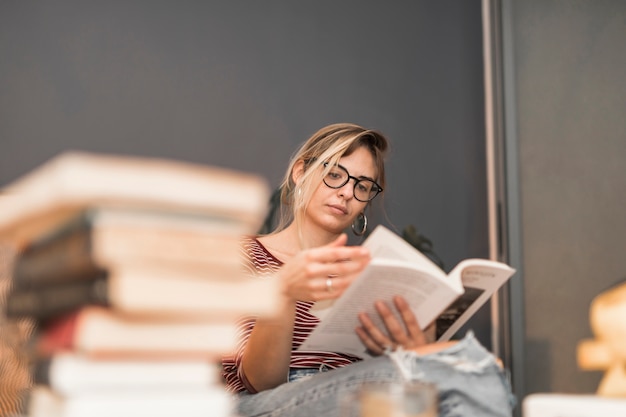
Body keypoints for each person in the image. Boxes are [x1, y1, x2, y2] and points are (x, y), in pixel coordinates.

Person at [222, 123, 515, 417]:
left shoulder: (370, 274)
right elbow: (260, 383)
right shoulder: (243, 253)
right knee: (468, 370)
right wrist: (284, 293)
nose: (347, 192)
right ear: (300, 172)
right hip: (266, 403)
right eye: (335, 175)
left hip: (358, 399)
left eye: (362, 186)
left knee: (472, 372)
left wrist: (412, 350)